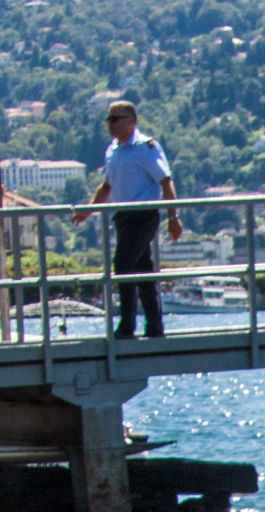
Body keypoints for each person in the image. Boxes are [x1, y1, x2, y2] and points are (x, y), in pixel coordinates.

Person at [85, 101, 181, 339]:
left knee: (124, 265)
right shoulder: (113, 150)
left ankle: (127, 326)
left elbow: (165, 180)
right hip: (123, 216)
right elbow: (107, 186)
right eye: (108, 120)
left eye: (115, 119)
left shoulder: (145, 147)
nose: (110, 124)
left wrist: (173, 216)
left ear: (131, 120)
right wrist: (87, 211)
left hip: (143, 214)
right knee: (143, 271)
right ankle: (155, 325)